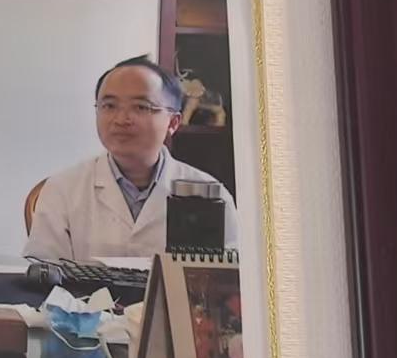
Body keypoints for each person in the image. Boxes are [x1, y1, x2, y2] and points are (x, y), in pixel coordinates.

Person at [23, 54, 238, 262]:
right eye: (109, 106)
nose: (121, 119)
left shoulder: (210, 196)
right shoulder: (62, 189)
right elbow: (42, 273)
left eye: (141, 107)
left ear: (173, 122)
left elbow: (226, 277)